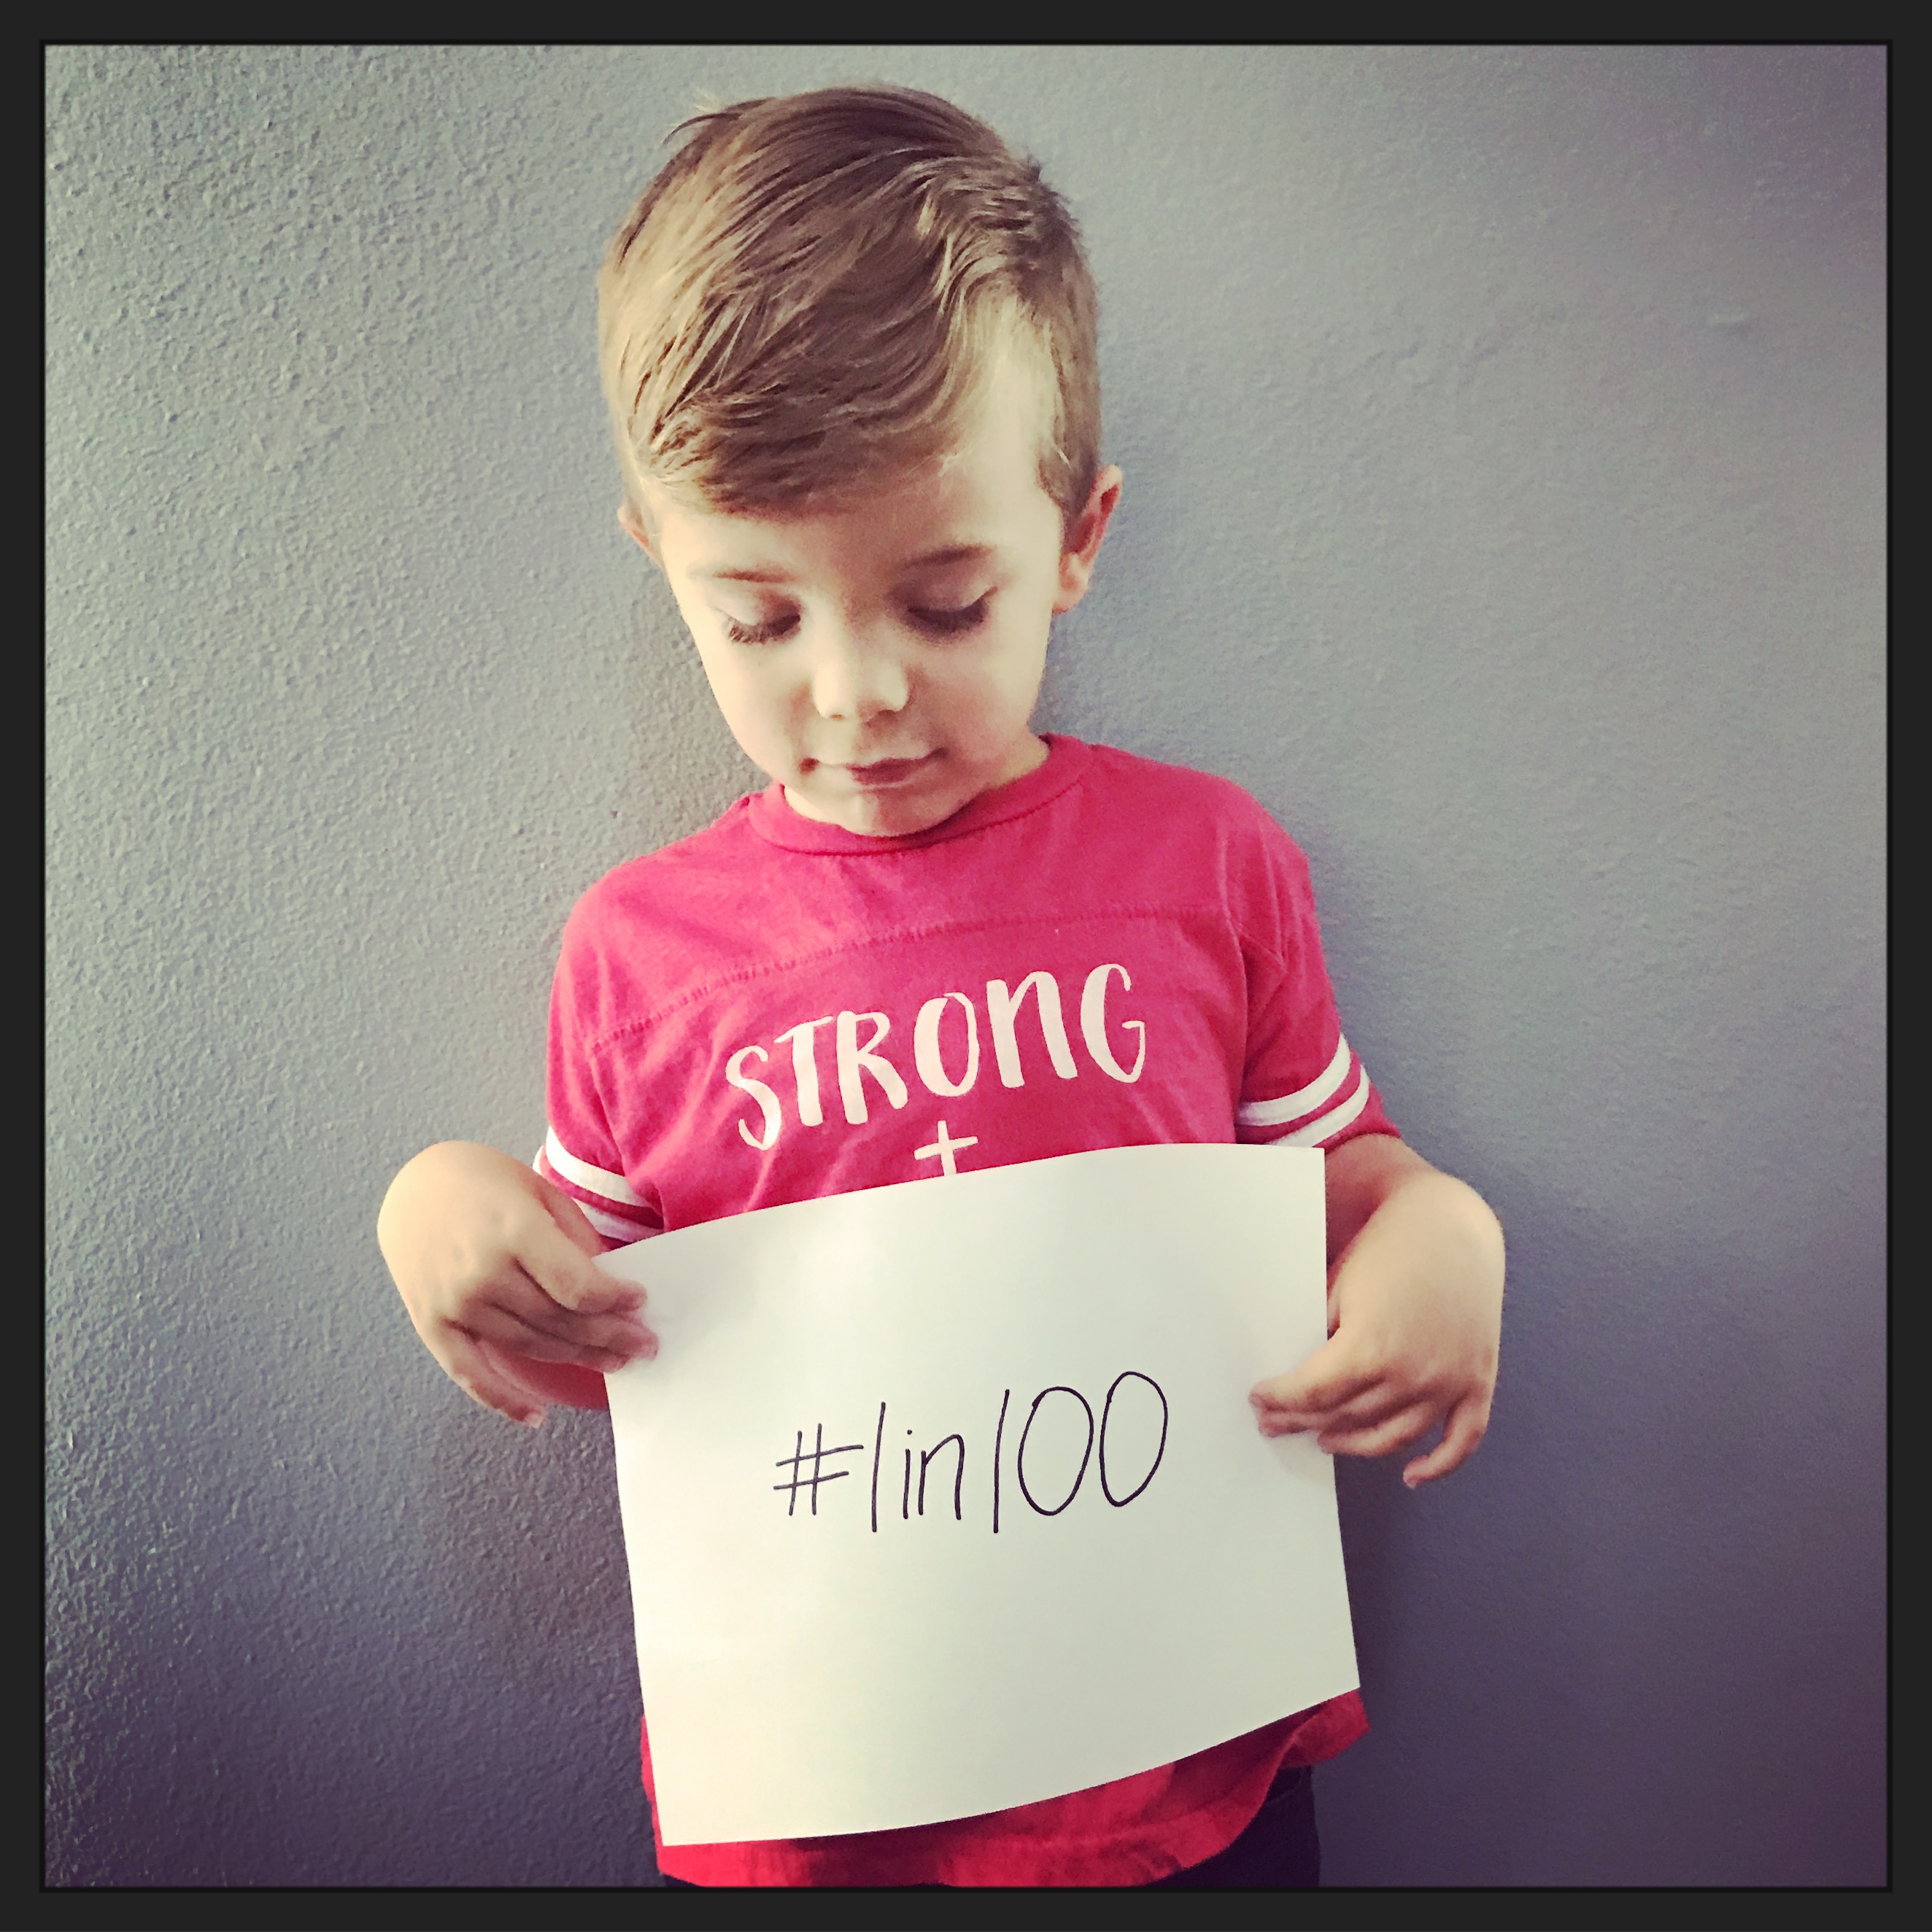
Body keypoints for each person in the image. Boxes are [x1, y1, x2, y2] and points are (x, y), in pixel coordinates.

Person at [376, 83, 1504, 1889]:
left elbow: (1340, 1174)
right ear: (663, 562)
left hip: (1182, 1775)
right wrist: (443, 1210)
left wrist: (1438, 1235)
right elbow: (599, 1317)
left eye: (945, 602)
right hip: (828, 1804)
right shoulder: (637, 959)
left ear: (1075, 536)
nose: (856, 692)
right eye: (762, 619)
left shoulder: (1208, 870)